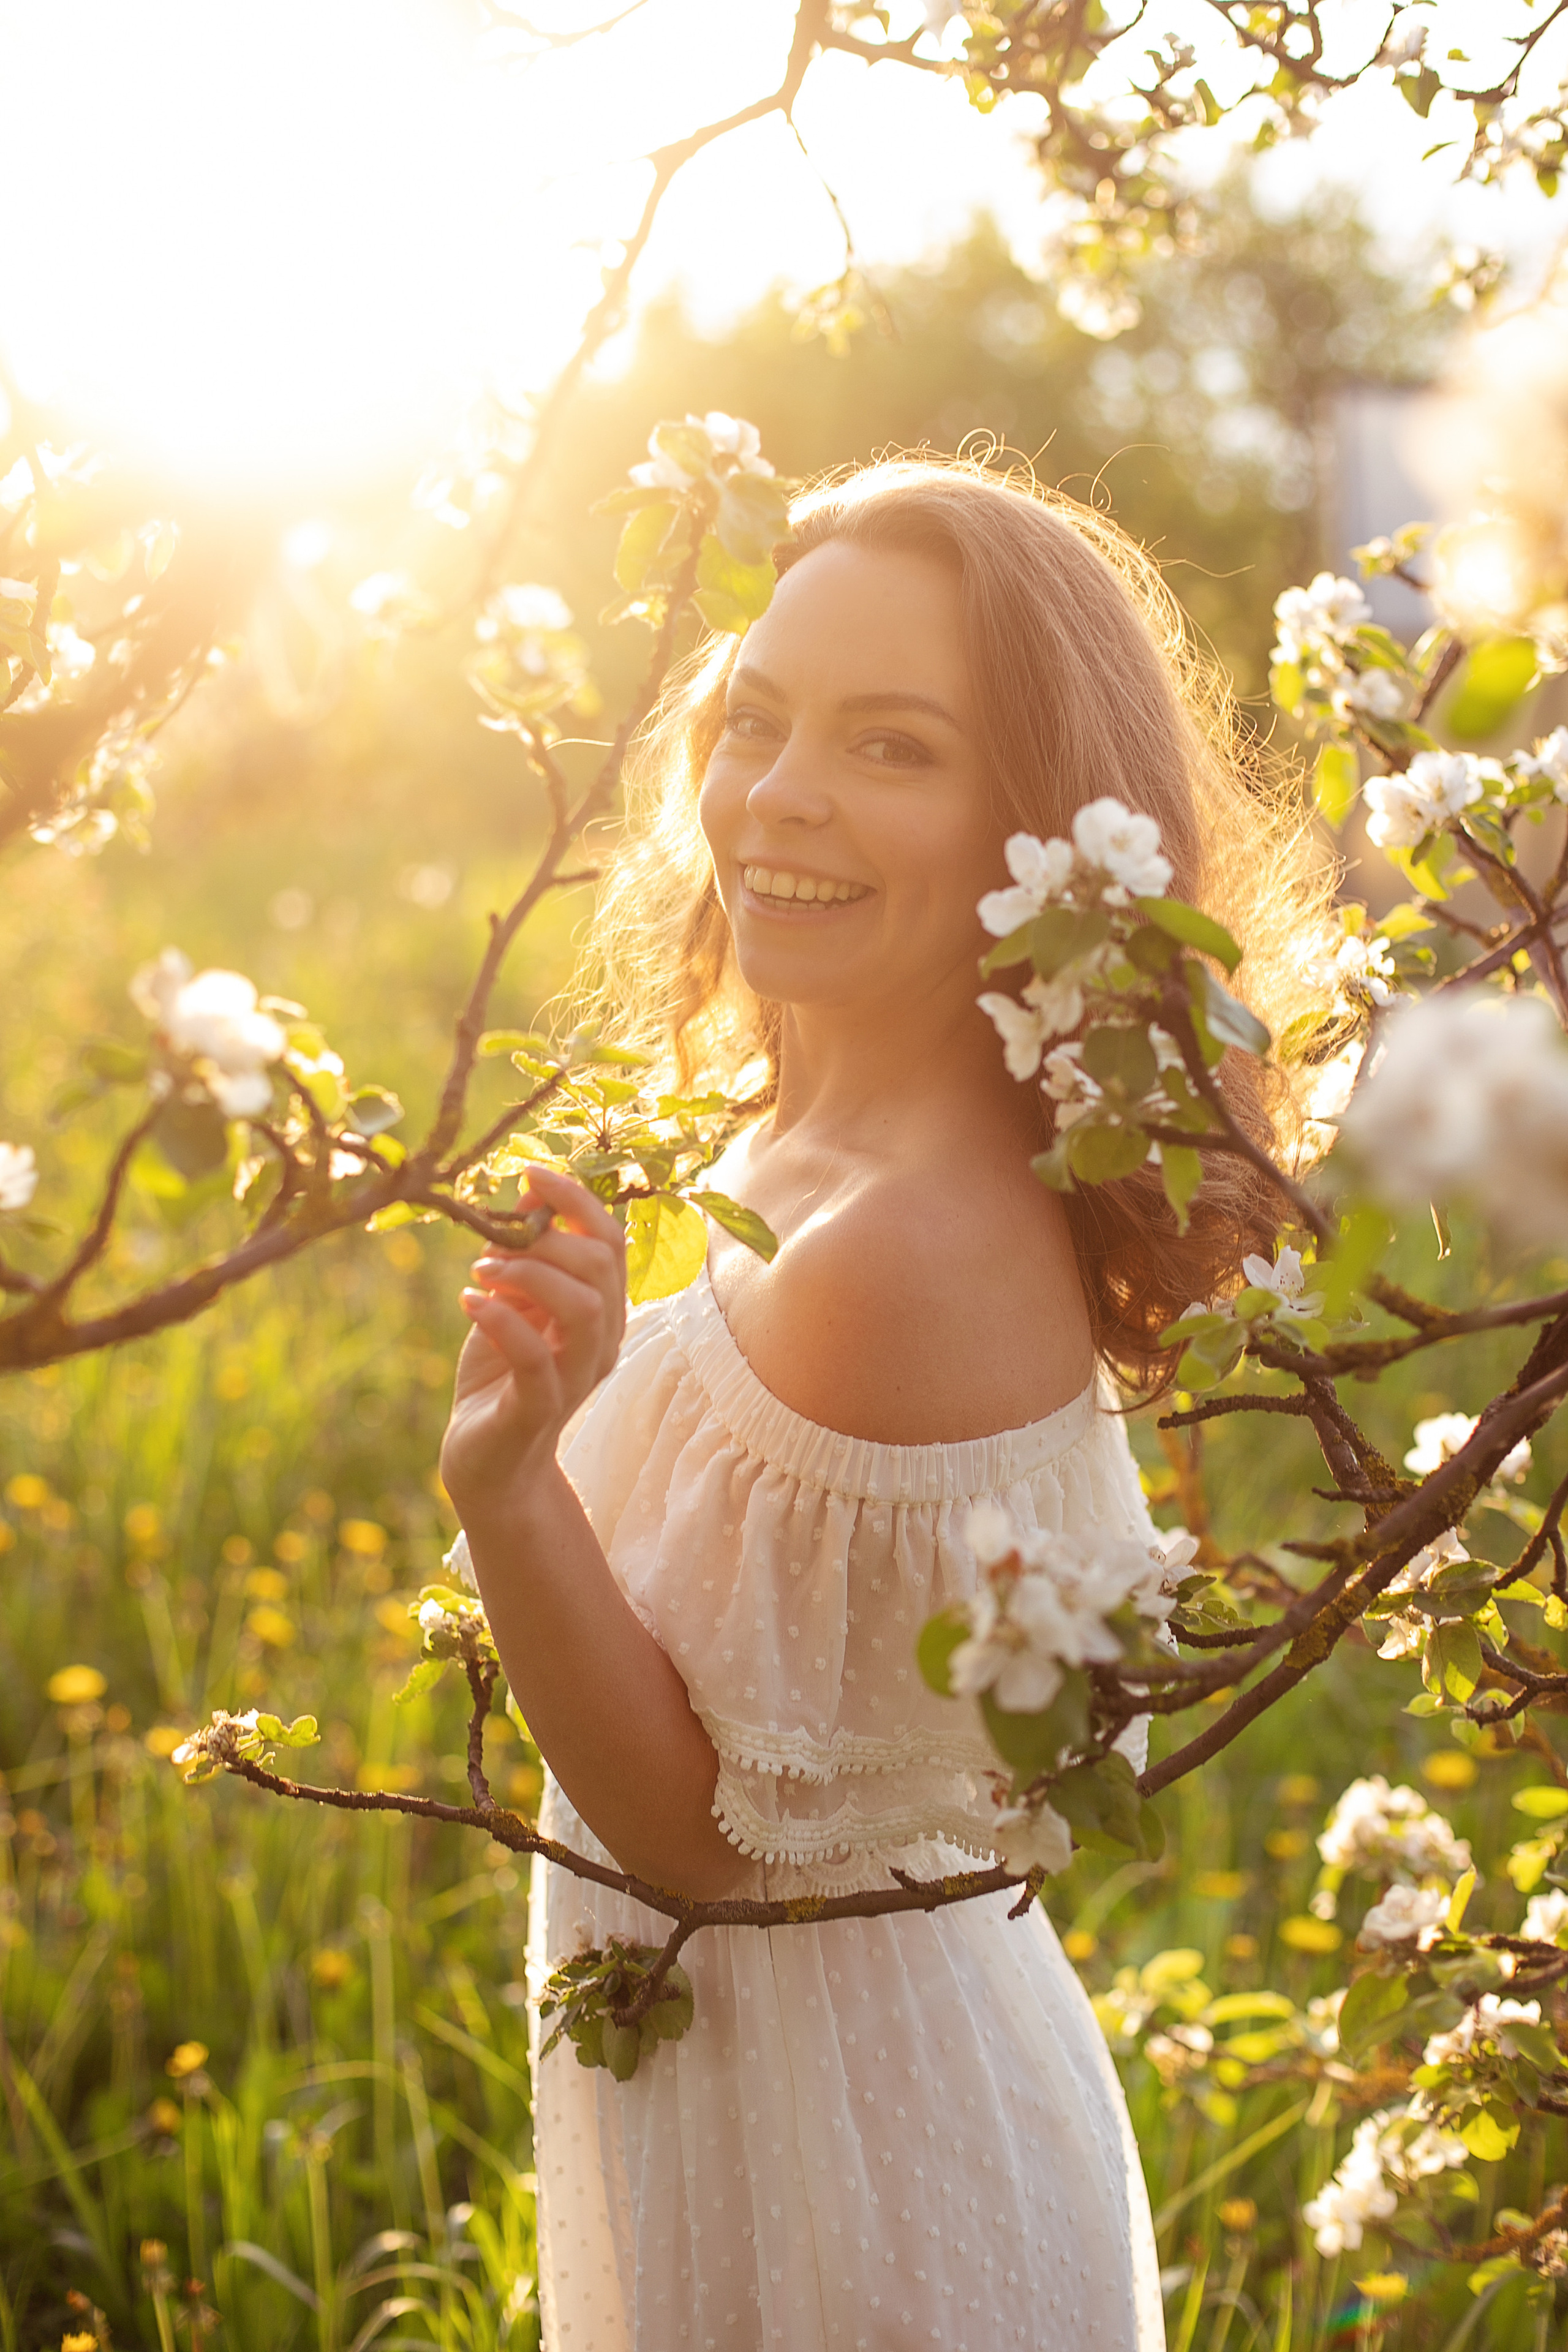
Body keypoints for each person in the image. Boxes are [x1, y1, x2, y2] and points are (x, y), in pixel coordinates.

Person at [439, 458, 1328, 2350]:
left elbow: (703, 1843)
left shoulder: (911, 1247)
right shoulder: (801, 1135)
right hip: (761, 2099)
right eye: (755, 718)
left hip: (857, 2181)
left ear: (1037, 822)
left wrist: (512, 1493)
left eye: (893, 745)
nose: (779, 794)